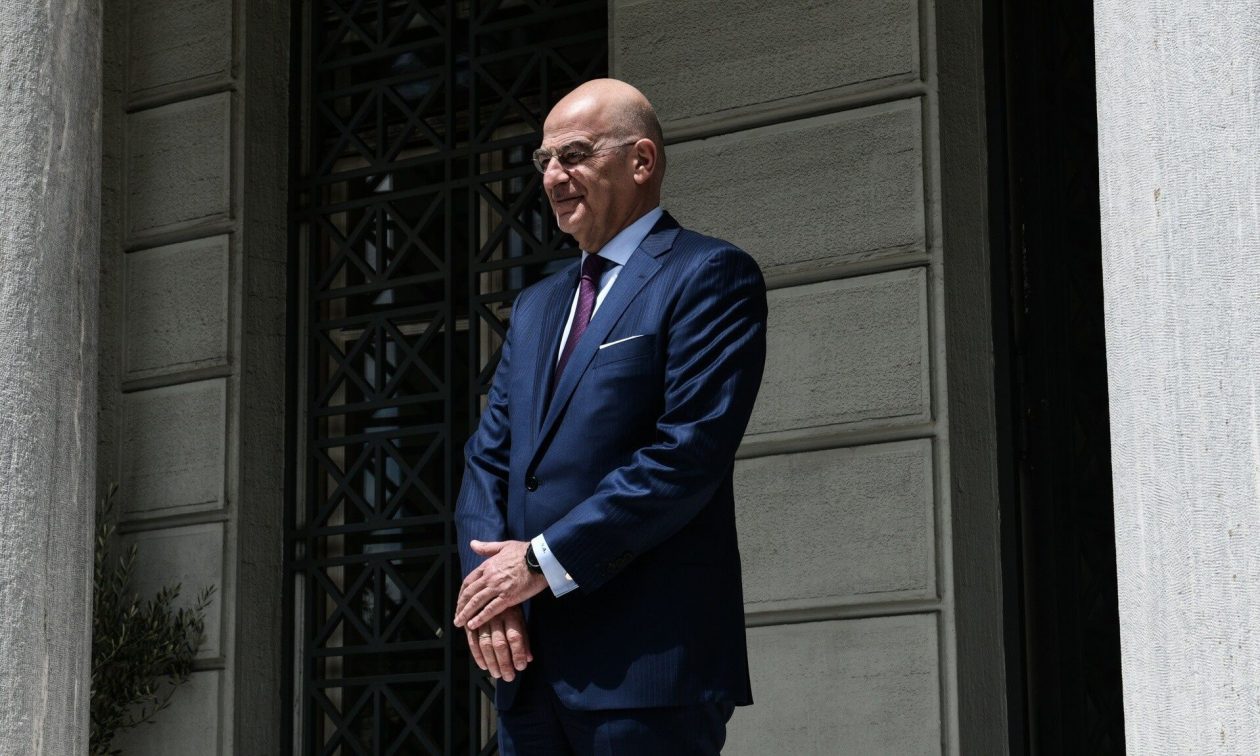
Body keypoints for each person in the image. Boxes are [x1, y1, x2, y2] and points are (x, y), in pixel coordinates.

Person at [452, 78, 767, 755]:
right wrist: (490, 596)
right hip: (529, 671)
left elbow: (686, 455)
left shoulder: (709, 275)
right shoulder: (537, 306)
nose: (552, 177)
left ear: (641, 160)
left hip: (646, 672)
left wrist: (536, 562)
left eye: (573, 155)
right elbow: (489, 458)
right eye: (544, 161)